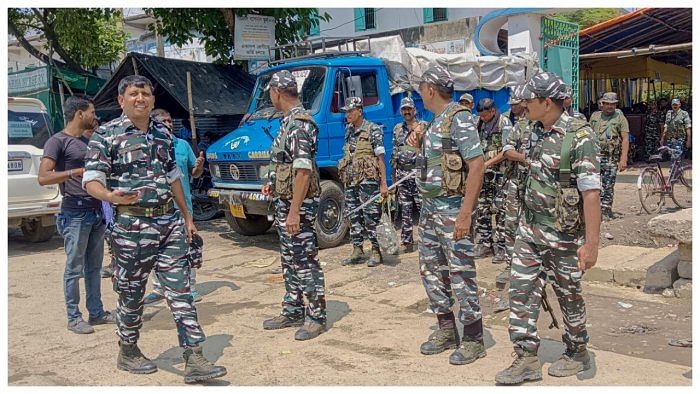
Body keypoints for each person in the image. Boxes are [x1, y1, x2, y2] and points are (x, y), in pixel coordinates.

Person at [82, 75, 226, 382]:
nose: (140, 98)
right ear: (121, 101)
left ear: (152, 99)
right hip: (131, 226)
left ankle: (194, 357)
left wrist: (187, 217)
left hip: (169, 224)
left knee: (181, 290)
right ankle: (128, 349)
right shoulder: (106, 135)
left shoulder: (162, 134)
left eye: (145, 93)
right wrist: (109, 196)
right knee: (131, 294)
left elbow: (174, 176)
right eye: (133, 94)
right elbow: (91, 179)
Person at [495, 72, 601, 384]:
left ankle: (578, 350)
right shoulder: (532, 130)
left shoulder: (580, 137)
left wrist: (592, 245)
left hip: (564, 235)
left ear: (547, 102)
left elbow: (591, 193)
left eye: (529, 100)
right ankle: (526, 357)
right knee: (521, 290)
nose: (523, 105)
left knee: (569, 294)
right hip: (530, 230)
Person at [406, 65, 486, 365]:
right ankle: (445, 329)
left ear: (430, 89)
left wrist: (466, 214)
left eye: (420, 89)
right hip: (430, 211)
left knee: (461, 273)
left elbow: (477, 166)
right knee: (431, 271)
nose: (418, 95)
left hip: (453, 211)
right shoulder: (435, 122)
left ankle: (474, 338)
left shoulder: (460, 119)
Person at [38, 95, 116, 334]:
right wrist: (76, 171)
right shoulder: (57, 141)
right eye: (91, 112)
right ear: (79, 113)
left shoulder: (88, 140)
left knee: (94, 267)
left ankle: (97, 312)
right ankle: (74, 317)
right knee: (74, 268)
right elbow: (43, 177)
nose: (95, 116)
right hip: (75, 213)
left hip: (96, 210)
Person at [259, 70, 327, 340]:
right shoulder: (288, 122)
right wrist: (273, 182)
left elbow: (303, 171)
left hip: (296, 207)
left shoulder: (299, 124)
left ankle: (315, 316)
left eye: (270, 95)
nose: (271, 99)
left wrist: (295, 211)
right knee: (289, 260)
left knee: (304, 261)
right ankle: (293, 309)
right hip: (286, 202)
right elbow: (286, 165)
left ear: (277, 93)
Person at [143, 108, 205, 305]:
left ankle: (190, 288)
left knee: (187, 248)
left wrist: (200, 165)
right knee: (155, 248)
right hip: (155, 209)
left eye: (170, 121)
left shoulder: (182, 145)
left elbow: (194, 173)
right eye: (164, 121)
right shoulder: (147, 145)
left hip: (182, 208)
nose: (169, 124)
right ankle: (158, 288)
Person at [338, 96, 389, 267]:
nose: (348, 115)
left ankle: (376, 250)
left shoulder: (373, 130)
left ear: (359, 111)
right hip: (351, 180)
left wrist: (383, 183)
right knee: (353, 215)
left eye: (350, 111)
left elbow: (380, 158)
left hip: (368, 181)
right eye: (346, 112)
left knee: (371, 215)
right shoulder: (348, 131)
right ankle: (357, 249)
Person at [497, 86, 532, 286]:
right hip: (517, 182)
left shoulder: (545, 125)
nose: (513, 107)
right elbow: (507, 149)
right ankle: (511, 265)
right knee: (510, 224)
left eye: (516, 103)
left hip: (539, 186)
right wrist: (526, 158)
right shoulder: (520, 126)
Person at [474, 97, 511, 262]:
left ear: (493, 111)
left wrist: (488, 162)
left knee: (502, 210)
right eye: (481, 115)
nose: (482, 118)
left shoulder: (504, 123)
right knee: (483, 208)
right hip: (484, 175)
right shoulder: (479, 123)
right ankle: (485, 244)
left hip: (500, 174)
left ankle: (502, 247)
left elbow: (507, 151)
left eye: (485, 115)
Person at [391, 97, 428, 253]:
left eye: (409, 109)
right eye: (404, 109)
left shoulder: (423, 126)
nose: (407, 112)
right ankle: (407, 241)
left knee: (423, 208)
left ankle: (427, 240)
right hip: (402, 175)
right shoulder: (398, 129)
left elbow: (428, 150)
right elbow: (394, 153)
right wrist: (394, 177)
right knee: (405, 209)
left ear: (414, 110)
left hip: (418, 174)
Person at [589, 92, 629, 220]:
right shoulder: (595, 116)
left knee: (608, 184)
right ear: (603, 104)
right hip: (595, 156)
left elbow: (625, 138)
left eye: (612, 104)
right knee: (593, 184)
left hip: (611, 156)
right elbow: (588, 135)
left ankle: (606, 210)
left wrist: (623, 158)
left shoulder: (620, 117)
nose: (610, 107)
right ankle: (594, 210)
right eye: (607, 104)